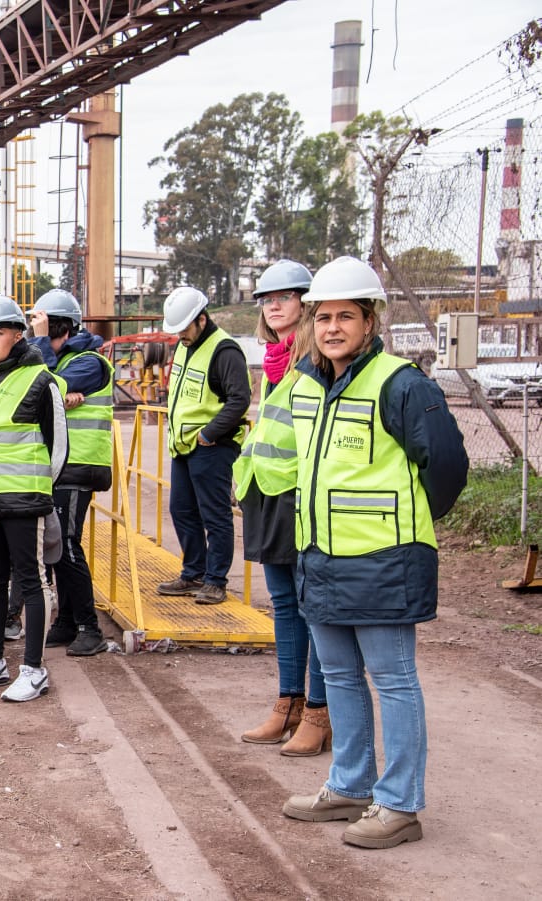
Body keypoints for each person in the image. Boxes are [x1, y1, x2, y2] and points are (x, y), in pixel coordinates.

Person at [281, 256, 467, 850]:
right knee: (338, 675)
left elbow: (447, 466)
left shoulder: (401, 384)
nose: (333, 327)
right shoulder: (308, 384)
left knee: (393, 680)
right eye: (324, 317)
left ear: (370, 321)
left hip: (385, 560)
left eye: (346, 316)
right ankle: (350, 786)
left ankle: (400, 805)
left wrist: (407, 520)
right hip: (321, 558)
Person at [234, 260, 330, 755]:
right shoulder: (276, 362)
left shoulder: (318, 360)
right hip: (268, 493)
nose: (273, 306)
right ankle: (288, 703)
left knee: (311, 606)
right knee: (284, 605)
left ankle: (319, 711)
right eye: (266, 299)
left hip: (299, 497)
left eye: (284, 297)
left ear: (306, 304)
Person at [0, 296, 67, 702]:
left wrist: (38, 491)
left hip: (23, 499)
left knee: (31, 581)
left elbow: (58, 447)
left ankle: (34, 670)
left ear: (18, 335)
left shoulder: (41, 380)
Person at [28, 288, 112, 657]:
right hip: (59, 466)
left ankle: (89, 627)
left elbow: (43, 387)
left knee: (68, 546)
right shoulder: (64, 362)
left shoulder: (90, 363)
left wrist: (40, 343)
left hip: (79, 465)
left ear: (60, 328)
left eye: (43, 328)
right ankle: (65, 621)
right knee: (56, 547)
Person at [156, 286, 250, 605]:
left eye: (184, 328)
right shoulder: (185, 346)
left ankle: (215, 580)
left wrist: (209, 433)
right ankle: (194, 572)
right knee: (181, 509)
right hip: (183, 445)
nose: (180, 335)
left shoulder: (225, 350)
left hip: (212, 446)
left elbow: (239, 399)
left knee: (214, 515)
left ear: (202, 320)